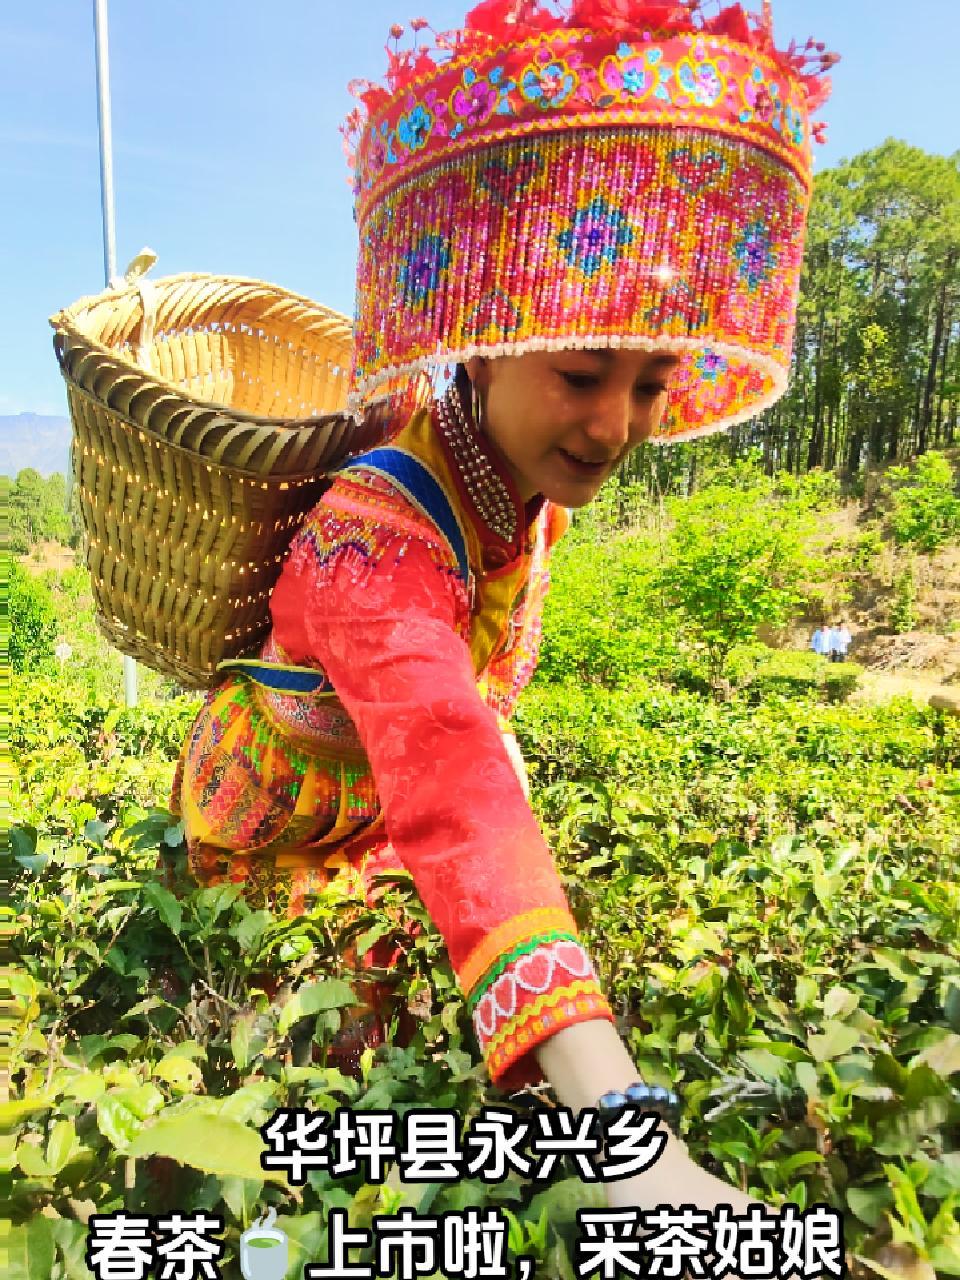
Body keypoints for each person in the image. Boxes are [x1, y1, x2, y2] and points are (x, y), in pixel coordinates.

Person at [172, 0, 836, 1224]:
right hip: (284, 846)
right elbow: (449, 766)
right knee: (338, 1126)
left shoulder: (524, 498)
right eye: (582, 374)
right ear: (479, 350)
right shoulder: (373, 543)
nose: (616, 426)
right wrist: (628, 1132)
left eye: (651, 381)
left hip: (394, 823)